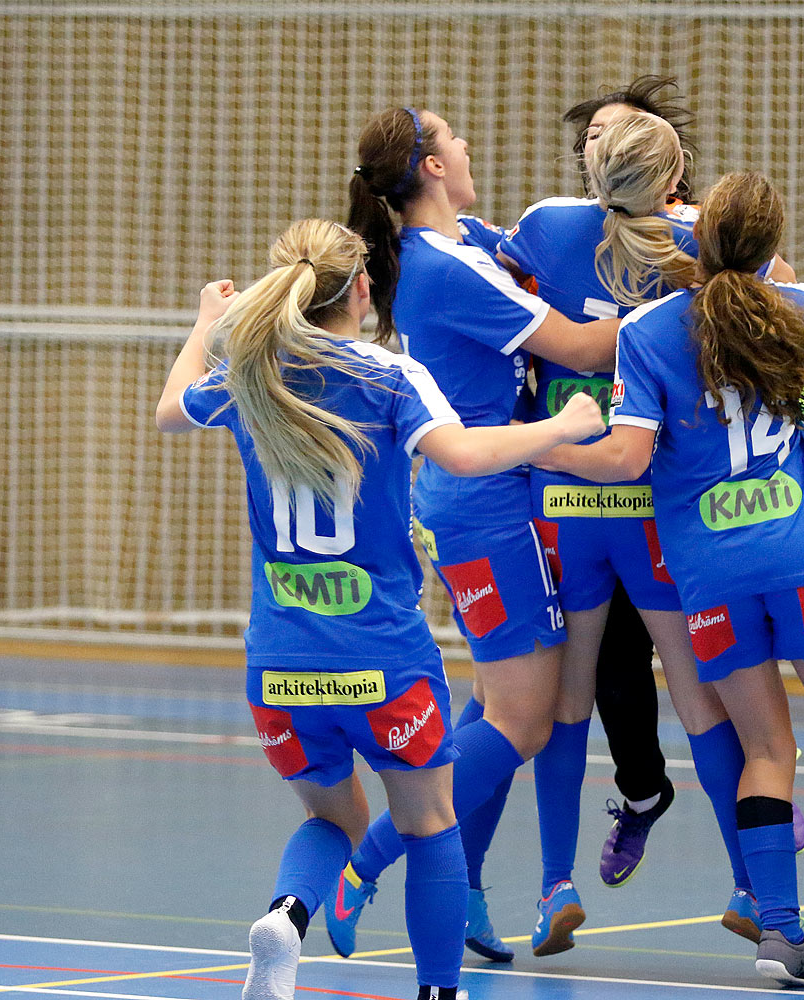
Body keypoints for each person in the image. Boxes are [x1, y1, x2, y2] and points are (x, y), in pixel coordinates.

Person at [154, 218, 604, 1000]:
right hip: (381, 658)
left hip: (280, 666)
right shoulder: (393, 376)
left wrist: (204, 327)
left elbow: (168, 409)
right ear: (363, 289)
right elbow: (464, 455)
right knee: (430, 822)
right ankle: (439, 991)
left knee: (333, 821)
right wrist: (559, 427)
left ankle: (287, 916)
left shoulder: (252, 374)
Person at [537, 172, 804, 990]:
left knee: (767, 748)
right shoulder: (796, 310)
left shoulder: (651, 328)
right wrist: (802, 285)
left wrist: (546, 447)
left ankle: (780, 932)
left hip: (711, 571)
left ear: (694, 240)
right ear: (773, 247)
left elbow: (626, 459)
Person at [493, 111, 798, 945]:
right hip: (660, 501)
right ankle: (753, 888)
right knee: (700, 698)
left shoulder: (547, 227)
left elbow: (484, 280)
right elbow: (785, 317)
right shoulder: (706, 235)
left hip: (567, 492)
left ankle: (554, 887)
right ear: (676, 173)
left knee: (566, 699)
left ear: (600, 169)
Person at [326, 106, 621, 962]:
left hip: (478, 498)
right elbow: (584, 345)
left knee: (500, 703)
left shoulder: (470, 244)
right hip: (484, 504)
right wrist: (692, 313)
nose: (466, 144)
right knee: (524, 723)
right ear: (428, 166)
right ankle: (369, 865)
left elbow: (539, 246)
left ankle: (461, 886)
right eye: (450, 135)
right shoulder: (445, 270)